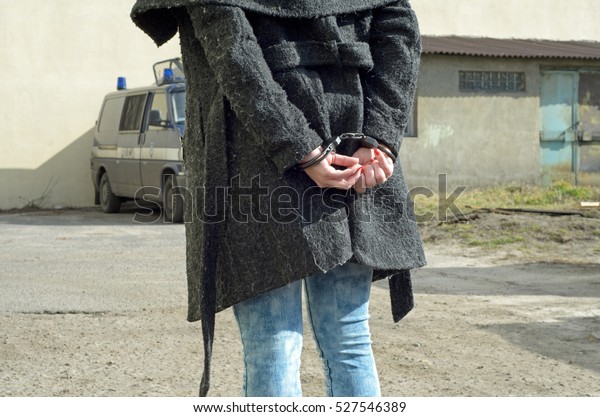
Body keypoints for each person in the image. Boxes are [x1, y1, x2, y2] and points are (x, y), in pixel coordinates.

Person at [131, 0, 426, 397]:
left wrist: (315, 146)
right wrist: (379, 136)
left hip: (258, 154)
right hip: (351, 145)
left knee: (274, 345)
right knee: (346, 340)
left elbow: (235, 53)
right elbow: (398, 30)